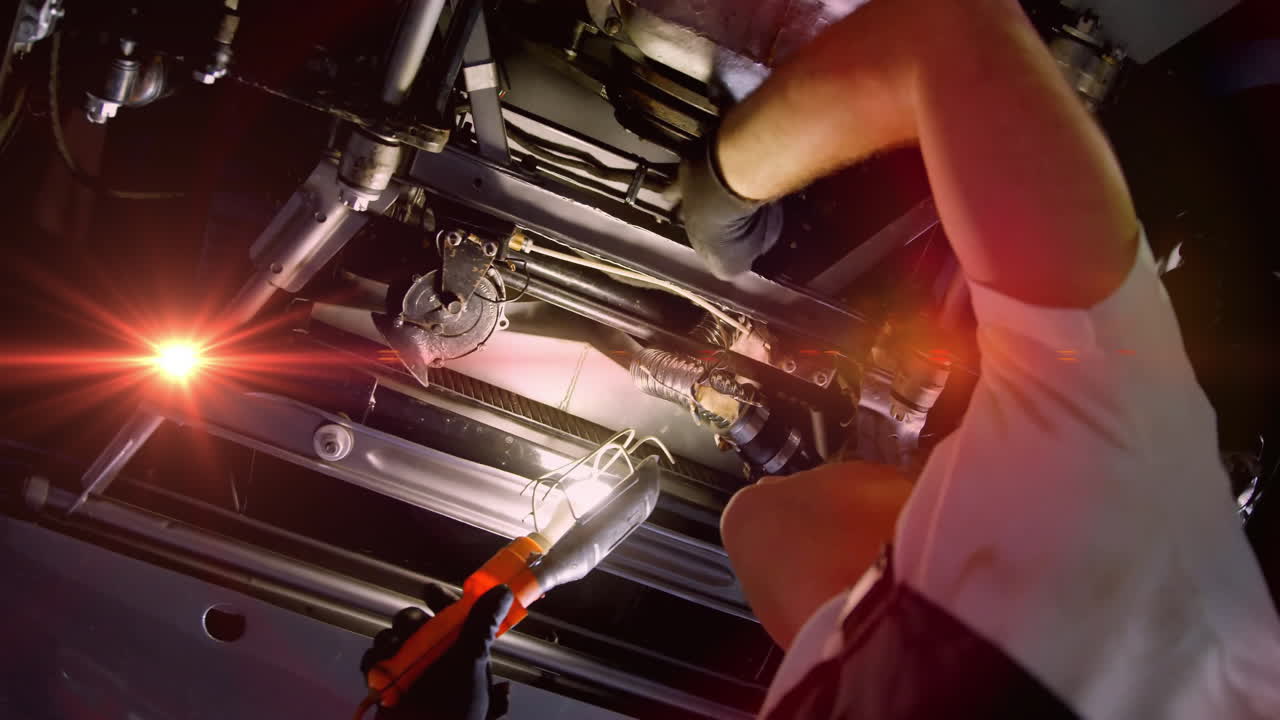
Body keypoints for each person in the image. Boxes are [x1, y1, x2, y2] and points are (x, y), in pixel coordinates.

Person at [364, 0, 1280, 717]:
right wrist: (725, 188)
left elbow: (768, 528)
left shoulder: (994, 625)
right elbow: (955, 38)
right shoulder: (1109, 543)